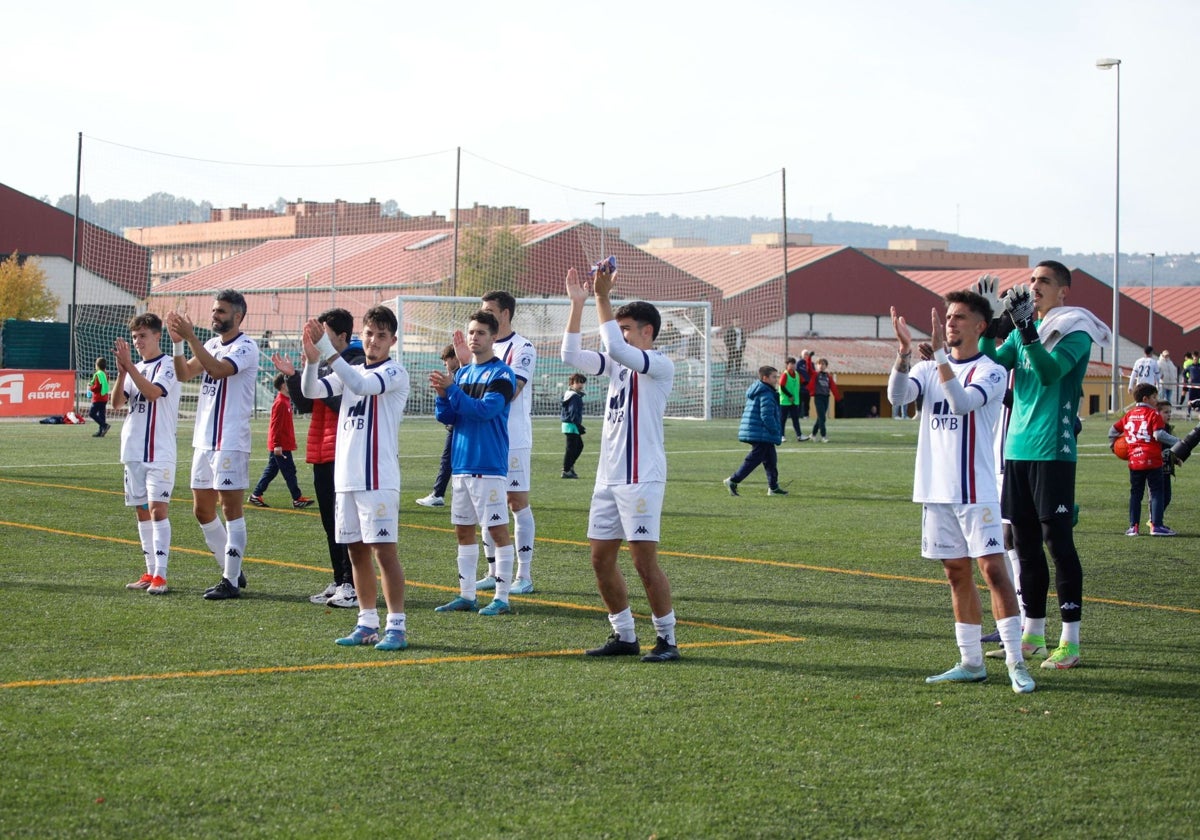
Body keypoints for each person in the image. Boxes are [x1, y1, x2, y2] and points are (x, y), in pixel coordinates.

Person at [889, 292, 1034, 693]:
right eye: (948, 316)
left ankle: (1015, 662)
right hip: (936, 491)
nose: (950, 323)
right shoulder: (925, 367)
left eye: (959, 317)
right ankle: (971, 662)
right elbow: (897, 398)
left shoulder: (991, 370)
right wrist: (904, 353)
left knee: (993, 571)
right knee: (956, 574)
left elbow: (962, 403)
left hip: (976, 490)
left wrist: (937, 356)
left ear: (980, 326)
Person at [977, 260, 1111, 670]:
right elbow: (994, 361)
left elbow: (1051, 374)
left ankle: (1070, 641)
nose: (1034, 286)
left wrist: (1027, 331)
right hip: (1016, 450)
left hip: (1053, 450)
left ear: (1063, 292)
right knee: (1024, 543)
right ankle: (1032, 635)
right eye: (1032, 279)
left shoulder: (1076, 333)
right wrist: (989, 320)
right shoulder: (1022, 332)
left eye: (1044, 281)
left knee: (1058, 543)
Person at [562, 262, 681, 662]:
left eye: (627, 327)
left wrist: (602, 296)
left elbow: (614, 346)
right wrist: (580, 304)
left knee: (645, 563)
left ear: (647, 332)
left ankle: (667, 638)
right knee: (599, 559)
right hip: (608, 479)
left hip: (642, 479)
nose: (619, 332)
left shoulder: (660, 365)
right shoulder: (616, 364)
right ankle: (624, 635)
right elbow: (570, 355)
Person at [301, 305, 411, 650]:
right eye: (369, 333)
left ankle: (397, 626)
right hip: (346, 479)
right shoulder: (352, 369)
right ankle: (366, 622)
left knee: (383, 553)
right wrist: (311, 360)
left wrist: (328, 352)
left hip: (378, 479)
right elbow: (311, 391)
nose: (374, 341)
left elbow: (361, 385)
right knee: (356, 553)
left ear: (392, 340)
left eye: (381, 335)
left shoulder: (394, 372)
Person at [166, 291, 260, 600]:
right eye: (214, 310)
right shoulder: (210, 345)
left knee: (230, 509)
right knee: (202, 509)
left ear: (238, 316)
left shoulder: (246, 346)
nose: (215, 315)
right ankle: (231, 566)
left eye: (221, 311)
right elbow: (182, 373)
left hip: (230, 441)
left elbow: (218, 371)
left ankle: (230, 580)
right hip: (204, 441)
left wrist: (191, 337)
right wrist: (179, 341)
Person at [273, 308, 362, 609]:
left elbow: (342, 403)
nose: (317, 339)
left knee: (344, 523)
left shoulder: (355, 362)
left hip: (344, 452)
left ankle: (352, 584)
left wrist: (320, 367)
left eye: (323, 334)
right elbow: (306, 405)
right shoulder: (325, 364)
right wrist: (296, 376)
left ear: (342, 336)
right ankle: (339, 580)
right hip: (321, 451)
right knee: (329, 522)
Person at [430, 311, 518, 617]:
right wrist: (442, 395)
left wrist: (452, 389)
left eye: (481, 332)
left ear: (494, 337)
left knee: (497, 531)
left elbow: (484, 411)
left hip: (489, 465)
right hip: (462, 465)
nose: (474, 337)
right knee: (463, 531)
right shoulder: (464, 375)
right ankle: (467, 596)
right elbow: (449, 418)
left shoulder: (502, 375)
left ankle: (502, 598)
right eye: (471, 332)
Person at [111, 314, 181, 596]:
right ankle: (149, 571)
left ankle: (161, 576)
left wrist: (130, 367)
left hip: (160, 451)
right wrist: (122, 372)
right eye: (135, 337)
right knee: (142, 512)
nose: (137, 342)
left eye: (143, 336)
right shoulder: (134, 367)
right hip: (133, 450)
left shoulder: (169, 365)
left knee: (157, 510)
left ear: (157, 336)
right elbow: (116, 403)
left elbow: (153, 393)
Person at [473, 290, 537, 595]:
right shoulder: (480, 346)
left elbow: (513, 391)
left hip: (513, 438)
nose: (483, 313)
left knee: (516, 503)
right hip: (485, 436)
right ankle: (493, 571)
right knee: (488, 504)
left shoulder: (522, 348)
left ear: (505, 314)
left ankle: (523, 575)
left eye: (489, 310)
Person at [1110, 384, 1179, 536]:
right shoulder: (1153, 414)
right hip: (1153, 459)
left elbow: (1113, 430)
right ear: (1145, 398)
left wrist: (1113, 446)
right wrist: (1178, 441)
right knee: (1156, 492)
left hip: (1134, 460)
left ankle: (1133, 527)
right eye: (1154, 397)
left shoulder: (1129, 415)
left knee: (1135, 493)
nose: (1156, 400)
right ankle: (1157, 526)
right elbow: (1158, 435)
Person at [248, 373, 313, 510]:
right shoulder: (280, 403)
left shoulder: (284, 401)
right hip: (280, 446)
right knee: (289, 471)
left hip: (282, 445)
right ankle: (297, 498)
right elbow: (275, 426)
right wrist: (277, 445)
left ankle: (256, 495)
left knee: (272, 471)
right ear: (284, 385)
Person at [724, 365, 789, 497]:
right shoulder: (766, 393)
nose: (776, 379)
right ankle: (733, 480)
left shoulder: (760, 389)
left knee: (771, 460)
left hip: (758, 430)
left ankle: (773, 487)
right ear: (765, 378)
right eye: (773, 377)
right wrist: (776, 430)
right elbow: (766, 416)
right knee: (754, 459)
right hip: (761, 432)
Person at [416, 344, 459, 507]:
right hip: (455, 425)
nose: (445, 365)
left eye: (446, 361)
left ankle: (438, 494)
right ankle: (438, 493)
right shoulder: (456, 375)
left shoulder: (461, 376)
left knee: (448, 460)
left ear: (455, 358)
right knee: (448, 460)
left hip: (459, 426)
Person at [807, 357, 841, 443]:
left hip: (826, 398)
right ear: (817, 366)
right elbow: (809, 369)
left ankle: (813, 434)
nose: (821, 366)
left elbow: (833, 387)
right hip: (818, 397)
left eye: (823, 364)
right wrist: (809, 358)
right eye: (819, 364)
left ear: (826, 366)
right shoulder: (815, 374)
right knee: (822, 417)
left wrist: (838, 398)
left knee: (820, 418)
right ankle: (823, 436)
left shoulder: (828, 376)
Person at [561, 372, 587, 479]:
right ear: (572, 383)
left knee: (578, 446)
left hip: (570, 425)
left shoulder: (570, 394)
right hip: (571, 425)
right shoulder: (574, 396)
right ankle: (566, 470)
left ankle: (569, 467)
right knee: (571, 448)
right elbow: (573, 412)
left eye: (582, 382)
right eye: (577, 382)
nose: (580, 385)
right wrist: (578, 425)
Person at [778, 357, 809, 441]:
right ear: (787, 365)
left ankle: (799, 435)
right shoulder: (785, 374)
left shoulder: (797, 374)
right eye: (791, 364)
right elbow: (782, 386)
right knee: (782, 419)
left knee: (795, 419)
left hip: (794, 401)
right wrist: (789, 395)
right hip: (785, 400)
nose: (792, 365)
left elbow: (805, 382)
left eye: (794, 364)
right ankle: (781, 436)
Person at [88, 357, 111, 437]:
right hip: (104, 397)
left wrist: (90, 388)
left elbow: (97, 387)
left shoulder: (98, 374)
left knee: (91, 413)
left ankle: (104, 425)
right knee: (101, 414)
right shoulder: (106, 374)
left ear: (97, 365)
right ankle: (101, 431)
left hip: (98, 398)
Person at [798, 349, 814, 419]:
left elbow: (812, 373)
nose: (806, 355)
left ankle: (806, 415)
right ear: (802, 355)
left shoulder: (811, 364)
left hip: (808, 386)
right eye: (805, 354)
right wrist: (802, 380)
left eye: (807, 354)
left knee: (807, 402)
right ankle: (798, 415)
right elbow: (797, 373)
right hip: (800, 386)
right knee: (799, 402)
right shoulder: (799, 363)